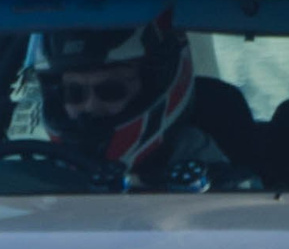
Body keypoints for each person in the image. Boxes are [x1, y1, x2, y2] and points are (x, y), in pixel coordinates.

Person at [35, 10, 240, 188]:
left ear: (152, 89)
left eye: (111, 91)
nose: (90, 107)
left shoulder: (198, 161)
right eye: (74, 94)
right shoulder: (49, 168)